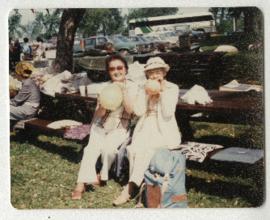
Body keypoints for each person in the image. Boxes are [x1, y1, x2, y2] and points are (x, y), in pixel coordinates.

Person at [113, 57, 181, 205]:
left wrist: (161, 93)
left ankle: (130, 188)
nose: (155, 76)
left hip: (164, 129)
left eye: (158, 72)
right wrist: (146, 94)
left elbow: (168, 113)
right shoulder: (143, 88)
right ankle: (138, 185)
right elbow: (138, 111)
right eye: (151, 73)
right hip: (146, 125)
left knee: (149, 149)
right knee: (135, 149)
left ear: (164, 73)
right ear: (147, 75)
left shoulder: (172, 88)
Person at [71, 55, 138, 200]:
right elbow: (98, 113)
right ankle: (80, 185)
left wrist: (123, 90)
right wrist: (102, 106)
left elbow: (131, 111)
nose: (116, 71)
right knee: (90, 149)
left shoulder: (133, 87)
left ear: (126, 70)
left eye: (119, 68)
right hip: (100, 124)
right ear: (108, 71)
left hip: (120, 126)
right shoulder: (104, 87)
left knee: (108, 149)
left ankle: (102, 175)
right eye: (112, 69)